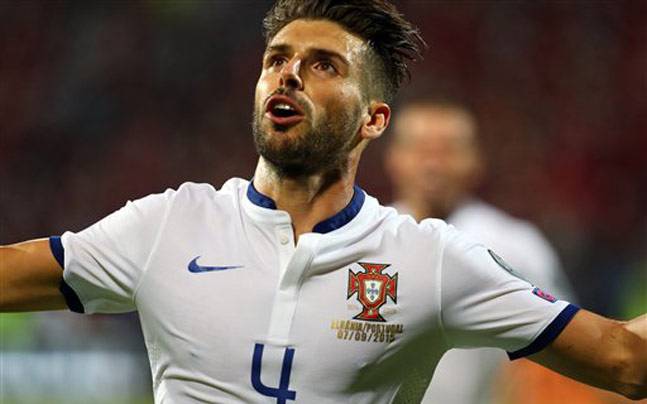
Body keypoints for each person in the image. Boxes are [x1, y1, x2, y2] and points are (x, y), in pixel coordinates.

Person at [1, 1, 645, 403]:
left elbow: (626, 362)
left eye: (323, 66)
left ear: (374, 120)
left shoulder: (435, 261)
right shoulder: (166, 225)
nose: (287, 73)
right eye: (277, 59)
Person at [385, 97, 577, 403]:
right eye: (421, 149)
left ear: (475, 160)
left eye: (448, 150)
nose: (433, 164)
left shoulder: (517, 245)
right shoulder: (368, 238)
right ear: (394, 158)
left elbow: (563, 350)